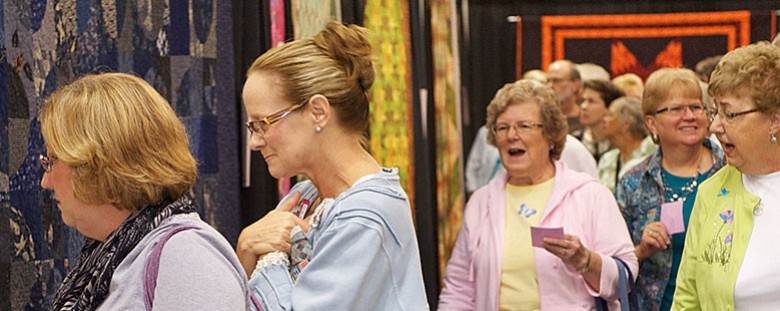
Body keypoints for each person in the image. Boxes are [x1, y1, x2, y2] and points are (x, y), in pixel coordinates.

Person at [237, 22, 428, 310]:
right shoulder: (306, 197)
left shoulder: (365, 217)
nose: (255, 142)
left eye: (263, 124)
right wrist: (247, 247)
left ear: (318, 112)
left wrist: (260, 255)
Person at [40, 73, 251, 310]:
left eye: (50, 161)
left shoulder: (187, 256)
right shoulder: (109, 255)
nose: (45, 182)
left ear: (95, 166)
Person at [439, 79, 637, 310]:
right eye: (503, 127)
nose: (512, 135)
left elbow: (626, 275)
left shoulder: (589, 195)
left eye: (524, 126)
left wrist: (585, 260)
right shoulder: (482, 201)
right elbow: (458, 288)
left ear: (550, 135)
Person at [673, 42, 780, 310]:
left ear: (774, 120)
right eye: (715, 112)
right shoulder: (712, 194)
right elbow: (688, 299)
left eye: (729, 114)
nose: (714, 126)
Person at [616, 68, 725, 311]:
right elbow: (613, 268)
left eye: (697, 107)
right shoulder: (634, 183)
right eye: (676, 109)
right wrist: (642, 250)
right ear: (651, 123)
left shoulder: (731, 171)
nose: (690, 116)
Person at [598, 96, 657, 193]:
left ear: (627, 124)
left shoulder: (653, 151)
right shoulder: (607, 159)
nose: (604, 119)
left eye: (610, 115)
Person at [576, 79, 625, 162]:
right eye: (583, 100)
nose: (583, 106)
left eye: (591, 101)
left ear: (609, 107)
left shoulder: (620, 144)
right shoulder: (576, 140)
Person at [546, 59, 584, 134]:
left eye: (557, 81)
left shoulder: (586, 120)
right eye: (548, 81)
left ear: (575, 85)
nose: (550, 86)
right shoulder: (540, 118)